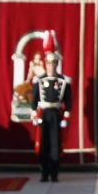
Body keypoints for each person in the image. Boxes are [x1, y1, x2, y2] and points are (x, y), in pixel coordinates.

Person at [33, 51, 72, 183]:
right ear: (46, 64)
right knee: (44, 145)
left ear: (57, 64)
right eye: (49, 64)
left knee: (55, 145)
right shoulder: (39, 80)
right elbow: (34, 101)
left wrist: (65, 118)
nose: (51, 66)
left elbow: (68, 101)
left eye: (54, 63)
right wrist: (34, 116)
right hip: (43, 114)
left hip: (56, 114)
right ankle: (44, 174)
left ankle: (54, 174)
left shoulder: (63, 80)